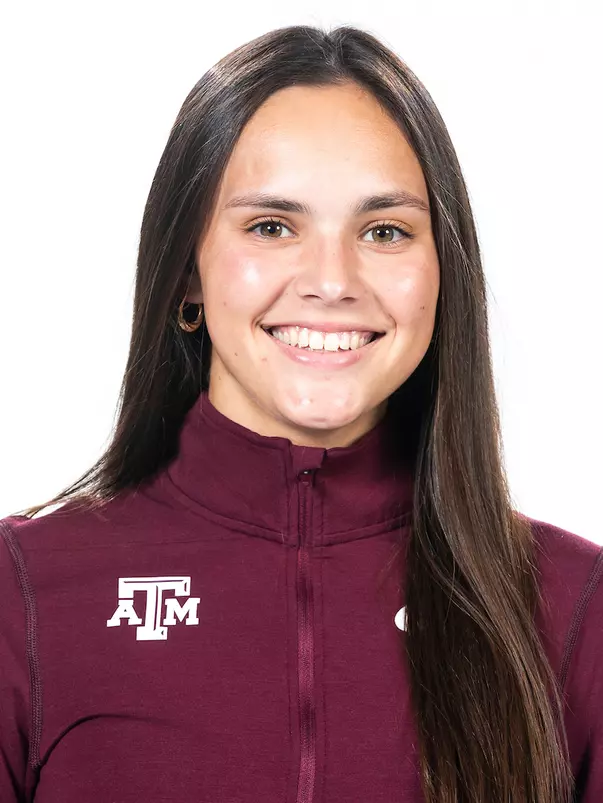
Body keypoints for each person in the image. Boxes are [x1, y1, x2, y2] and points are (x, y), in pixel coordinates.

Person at [0, 23, 600, 803]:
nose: (331, 279)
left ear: (439, 271)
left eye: (383, 231)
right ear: (187, 270)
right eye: (271, 226)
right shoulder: (25, 596)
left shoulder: (572, 607)